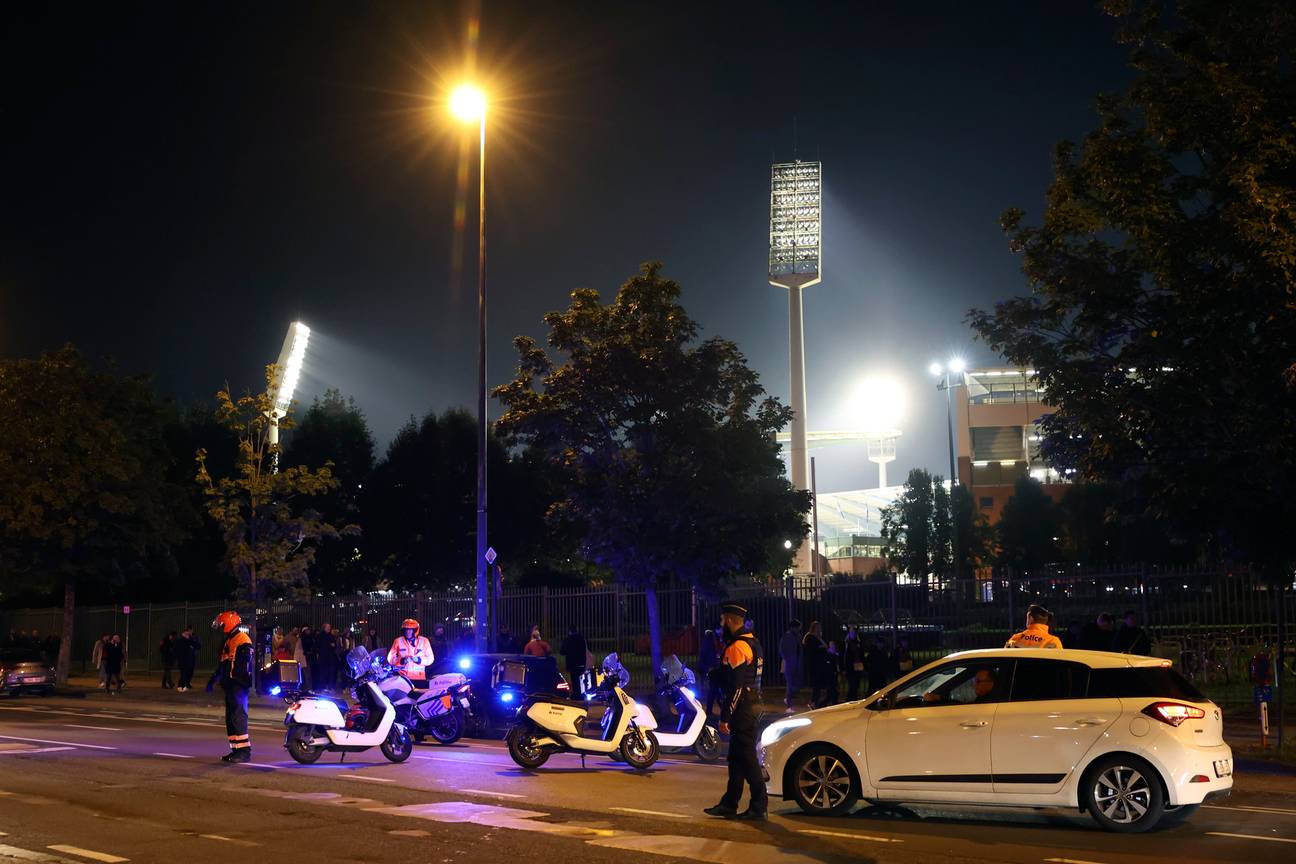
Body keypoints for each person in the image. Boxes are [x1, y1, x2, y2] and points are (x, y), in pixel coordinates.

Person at [704, 602, 766, 821]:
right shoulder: (753, 643)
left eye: (723, 620)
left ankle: (759, 806)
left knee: (747, 758)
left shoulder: (737, 647)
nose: (721, 625)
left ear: (730, 620)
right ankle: (729, 803)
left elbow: (736, 686)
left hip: (743, 709)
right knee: (736, 758)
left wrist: (725, 717)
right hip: (753, 704)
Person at [207, 610, 254, 763]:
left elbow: (244, 666)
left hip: (238, 686)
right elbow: (223, 664)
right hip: (230, 686)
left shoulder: (243, 639)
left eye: (222, 625)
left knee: (238, 717)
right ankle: (235, 750)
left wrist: (236, 681)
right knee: (230, 719)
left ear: (229, 624)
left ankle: (244, 752)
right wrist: (213, 680)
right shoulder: (229, 641)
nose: (221, 629)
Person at [387, 618, 434, 687]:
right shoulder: (398, 641)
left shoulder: (424, 641)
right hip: (403, 678)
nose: (407, 632)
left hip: (419, 678)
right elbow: (390, 659)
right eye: (406, 630)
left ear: (414, 631)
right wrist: (401, 661)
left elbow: (430, 659)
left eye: (410, 630)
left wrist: (419, 660)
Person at [802, 621, 828, 708]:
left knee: (818, 686)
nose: (819, 629)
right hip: (815, 665)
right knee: (816, 685)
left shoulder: (817, 637)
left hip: (819, 665)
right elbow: (812, 650)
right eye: (818, 627)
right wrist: (822, 647)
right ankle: (813, 703)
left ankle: (814, 702)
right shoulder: (809, 637)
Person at [779, 620, 803, 711]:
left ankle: (788, 700)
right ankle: (789, 705)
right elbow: (782, 649)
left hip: (795, 662)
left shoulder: (797, 636)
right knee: (790, 683)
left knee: (793, 683)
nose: (799, 629)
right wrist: (787, 659)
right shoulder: (787, 636)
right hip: (789, 662)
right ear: (794, 627)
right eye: (798, 627)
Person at [560, 625, 588, 693]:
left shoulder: (568, 639)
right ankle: (582, 693)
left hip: (572, 663)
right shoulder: (581, 638)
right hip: (581, 662)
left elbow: (562, 651)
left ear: (569, 631)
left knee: (574, 680)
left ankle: (576, 695)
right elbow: (585, 649)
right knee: (581, 679)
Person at [843, 628, 864, 701]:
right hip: (851, 668)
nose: (853, 635)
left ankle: (852, 700)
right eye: (852, 633)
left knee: (855, 686)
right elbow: (846, 657)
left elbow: (861, 654)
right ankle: (849, 700)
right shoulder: (848, 644)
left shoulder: (857, 643)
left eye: (854, 633)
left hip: (857, 666)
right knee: (853, 686)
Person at [823, 640, 841, 705]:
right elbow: (829, 665)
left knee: (833, 691)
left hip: (834, 674)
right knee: (832, 691)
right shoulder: (829, 654)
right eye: (831, 645)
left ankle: (832, 703)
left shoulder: (835, 654)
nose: (833, 646)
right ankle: (824, 704)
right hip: (830, 675)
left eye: (833, 645)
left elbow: (837, 665)